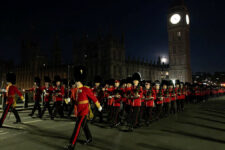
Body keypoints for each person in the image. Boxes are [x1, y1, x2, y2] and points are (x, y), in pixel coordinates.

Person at [65, 66, 102, 150]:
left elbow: (93, 98)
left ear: (80, 81)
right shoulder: (76, 90)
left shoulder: (86, 89)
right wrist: (69, 100)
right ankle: (89, 138)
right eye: (76, 80)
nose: (76, 82)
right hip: (79, 111)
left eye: (77, 81)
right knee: (84, 126)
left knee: (77, 128)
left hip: (84, 111)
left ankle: (72, 144)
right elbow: (75, 102)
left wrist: (99, 106)